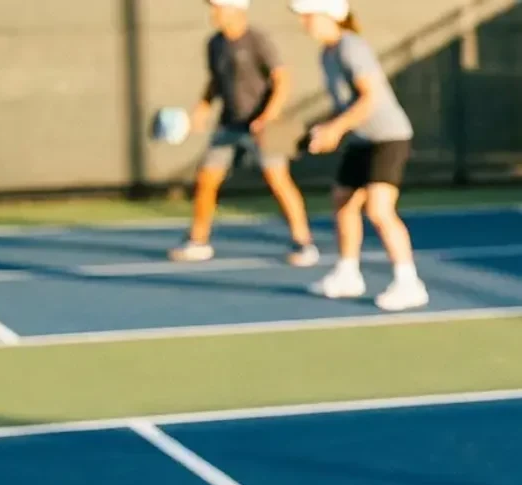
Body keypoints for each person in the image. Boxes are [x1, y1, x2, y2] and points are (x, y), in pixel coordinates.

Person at [290, 0, 428, 311]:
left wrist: (336, 130)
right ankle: (347, 274)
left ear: (330, 16)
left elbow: (371, 98)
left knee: (379, 209)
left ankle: (409, 283)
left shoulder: (351, 46)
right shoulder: (326, 54)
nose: (304, 23)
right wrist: (326, 128)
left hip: (388, 137)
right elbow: (346, 105)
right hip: (362, 139)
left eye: (308, 16)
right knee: (343, 200)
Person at [170, 0, 319, 267]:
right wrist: (202, 110)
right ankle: (198, 241)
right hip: (229, 125)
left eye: (218, 7)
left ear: (236, 10)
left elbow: (282, 80)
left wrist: (267, 117)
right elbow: (215, 83)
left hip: (264, 126)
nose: (214, 13)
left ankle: (303, 242)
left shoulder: (257, 40)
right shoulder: (214, 44)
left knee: (277, 179)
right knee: (206, 179)